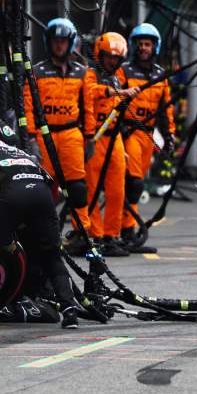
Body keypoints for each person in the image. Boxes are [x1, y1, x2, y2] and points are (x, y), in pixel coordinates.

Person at [0, 115, 80, 329]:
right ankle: (69, 310)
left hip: (11, 197)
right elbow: (50, 183)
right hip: (43, 196)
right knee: (52, 255)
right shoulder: (22, 152)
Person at [23, 18, 90, 248]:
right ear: (48, 43)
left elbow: (87, 107)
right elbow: (28, 105)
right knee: (44, 189)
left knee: (78, 188)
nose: (59, 45)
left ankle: (82, 233)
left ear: (70, 42)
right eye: (55, 41)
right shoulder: (37, 72)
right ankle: (44, 232)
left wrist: (89, 137)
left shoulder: (83, 73)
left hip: (72, 134)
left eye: (63, 41)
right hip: (45, 135)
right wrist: (30, 137)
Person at [81, 32, 139, 257]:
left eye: (116, 59)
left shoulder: (116, 78)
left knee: (117, 190)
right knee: (92, 190)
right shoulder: (91, 73)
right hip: (93, 137)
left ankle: (111, 235)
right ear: (100, 54)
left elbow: (117, 110)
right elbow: (91, 93)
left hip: (114, 139)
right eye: (109, 57)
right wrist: (118, 92)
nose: (112, 62)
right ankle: (94, 235)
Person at [120, 23, 174, 252]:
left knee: (136, 185)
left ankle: (126, 231)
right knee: (134, 183)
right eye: (140, 44)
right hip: (128, 132)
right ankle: (125, 231)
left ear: (154, 47)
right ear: (134, 46)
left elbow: (166, 109)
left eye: (147, 44)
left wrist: (170, 136)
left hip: (148, 135)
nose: (144, 48)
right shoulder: (124, 71)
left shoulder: (160, 75)